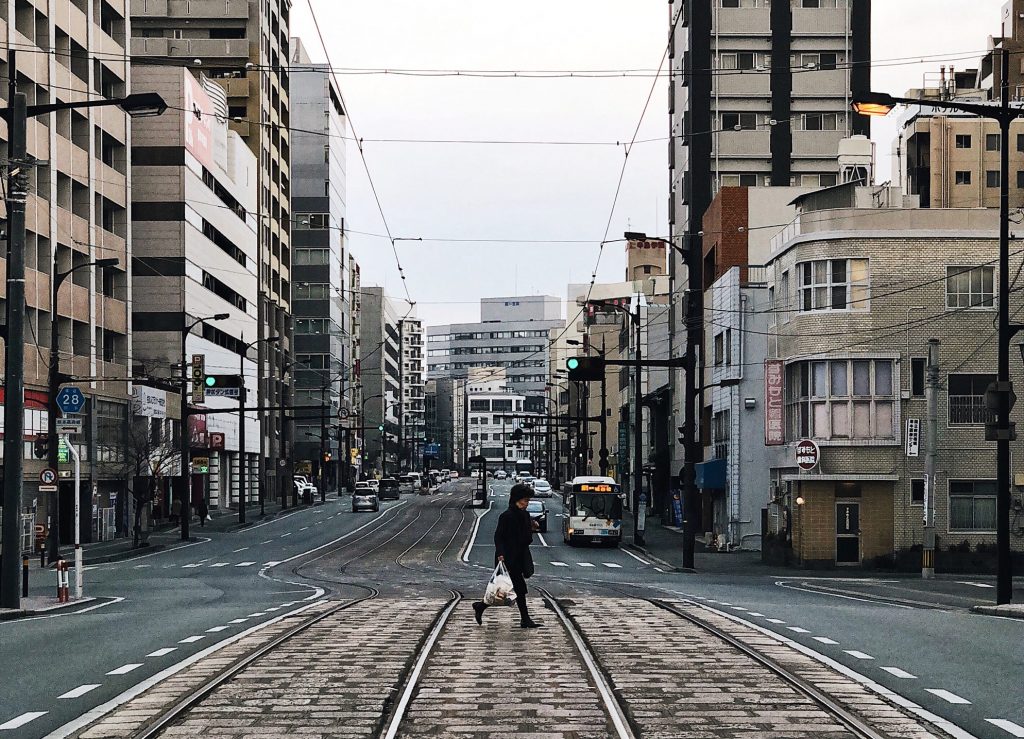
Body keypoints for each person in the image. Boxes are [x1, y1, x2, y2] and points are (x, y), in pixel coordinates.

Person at [473, 483, 541, 628]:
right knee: (511, 589)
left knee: (506, 590)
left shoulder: (525, 515)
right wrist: (501, 554)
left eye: (528, 500)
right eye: (525, 500)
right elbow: (499, 536)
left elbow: (525, 538)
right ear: (517, 499)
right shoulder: (506, 516)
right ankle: (524, 619)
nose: (527, 503)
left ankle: (481, 606)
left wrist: (532, 527)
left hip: (520, 556)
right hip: (508, 558)